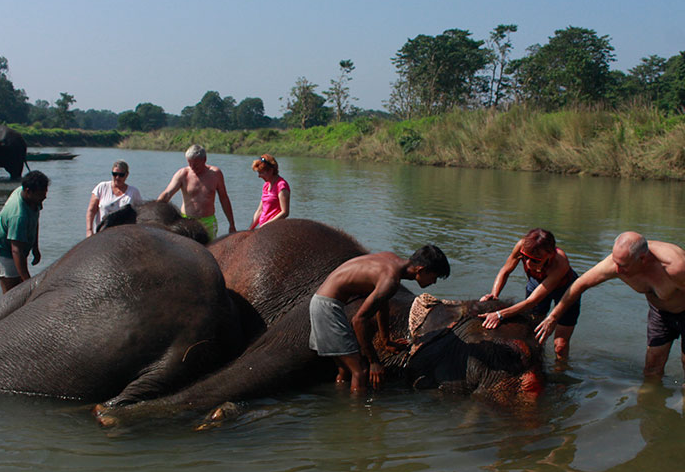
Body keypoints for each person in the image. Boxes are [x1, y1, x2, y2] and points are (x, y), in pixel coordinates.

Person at [534, 232, 685, 388]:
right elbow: (580, 284)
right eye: (616, 262)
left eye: (623, 266)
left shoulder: (676, 267)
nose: (617, 270)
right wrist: (553, 317)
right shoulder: (617, 263)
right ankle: (652, 408)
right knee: (652, 367)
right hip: (660, 310)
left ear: (643, 259)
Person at [309, 245, 450, 392]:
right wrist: (374, 362)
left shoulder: (390, 258)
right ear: (421, 270)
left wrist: (386, 340)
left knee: (345, 368)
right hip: (327, 309)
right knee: (361, 371)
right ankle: (357, 412)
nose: (433, 282)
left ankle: (341, 397)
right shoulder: (391, 280)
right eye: (434, 277)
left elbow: (382, 305)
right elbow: (358, 320)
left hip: (323, 301)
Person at [478, 228, 581, 363]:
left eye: (535, 260)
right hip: (536, 283)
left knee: (560, 345)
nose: (527, 263)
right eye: (525, 257)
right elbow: (505, 271)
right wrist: (494, 294)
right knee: (534, 332)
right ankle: (536, 362)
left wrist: (499, 314)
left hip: (566, 291)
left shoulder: (560, 262)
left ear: (550, 255)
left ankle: (560, 373)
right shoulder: (521, 246)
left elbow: (532, 301)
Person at [0, 171, 49, 293]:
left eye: (45, 192)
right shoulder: (18, 215)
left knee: (20, 286)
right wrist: (28, 281)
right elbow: (16, 250)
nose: (44, 197)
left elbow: (34, 220)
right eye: (41, 194)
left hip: (18, 245)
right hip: (3, 251)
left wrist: (35, 247)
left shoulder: (33, 200)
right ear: (28, 191)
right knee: (12, 292)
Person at [156, 144, 235, 240]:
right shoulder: (183, 174)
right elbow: (167, 194)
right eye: (190, 163)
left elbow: (224, 198)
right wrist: (155, 212)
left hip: (208, 222)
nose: (192, 167)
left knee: (210, 251)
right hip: (187, 221)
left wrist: (231, 224)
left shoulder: (215, 174)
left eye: (195, 164)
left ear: (204, 159)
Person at [85, 160, 144, 236]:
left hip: (124, 235)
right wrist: (89, 230)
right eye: (114, 174)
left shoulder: (134, 192)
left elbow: (140, 214)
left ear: (127, 175)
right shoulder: (102, 187)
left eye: (121, 175)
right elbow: (91, 211)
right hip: (102, 233)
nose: (117, 177)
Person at [248, 154, 290, 229]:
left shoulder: (281, 186)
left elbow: (285, 212)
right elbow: (260, 210)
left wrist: (266, 225)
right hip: (263, 228)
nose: (259, 176)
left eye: (261, 172)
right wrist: (249, 229)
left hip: (274, 228)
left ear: (270, 170)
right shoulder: (266, 185)